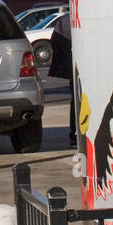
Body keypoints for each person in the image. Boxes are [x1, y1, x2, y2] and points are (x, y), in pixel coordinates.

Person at [48, 11, 77, 147]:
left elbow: (55, 42)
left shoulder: (64, 21)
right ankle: (77, 133)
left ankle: (76, 134)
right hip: (83, 67)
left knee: (77, 100)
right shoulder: (67, 21)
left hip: (74, 67)